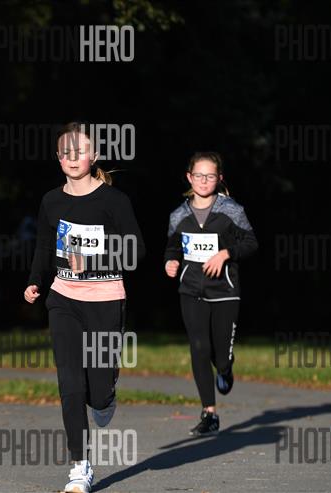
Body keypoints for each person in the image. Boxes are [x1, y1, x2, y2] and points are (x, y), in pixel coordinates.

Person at [24, 122, 145, 493]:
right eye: (66, 152)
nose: (73, 158)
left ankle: (105, 399)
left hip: (106, 300)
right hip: (63, 299)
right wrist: (35, 280)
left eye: (80, 151)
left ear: (94, 156)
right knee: (70, 382)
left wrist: (91, 260)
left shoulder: (114, 201)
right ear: (58, 158)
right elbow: (45, 246)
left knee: (98, 390)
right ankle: (80, 467)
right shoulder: (51, 201)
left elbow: (136, 250)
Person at [164, 152, 258, 436]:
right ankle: (209, 413)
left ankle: (226, 369)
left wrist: (226, 254)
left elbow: (251, 243)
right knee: (199, 347)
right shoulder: (178, 215)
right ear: (189, 177)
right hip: (191, 290)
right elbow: (172, 247)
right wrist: (170, 262)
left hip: (224, 290)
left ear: (219, 179)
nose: (204, 181)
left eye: (210, 176)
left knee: (220, 356)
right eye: (199, 175)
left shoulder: (231, 210)